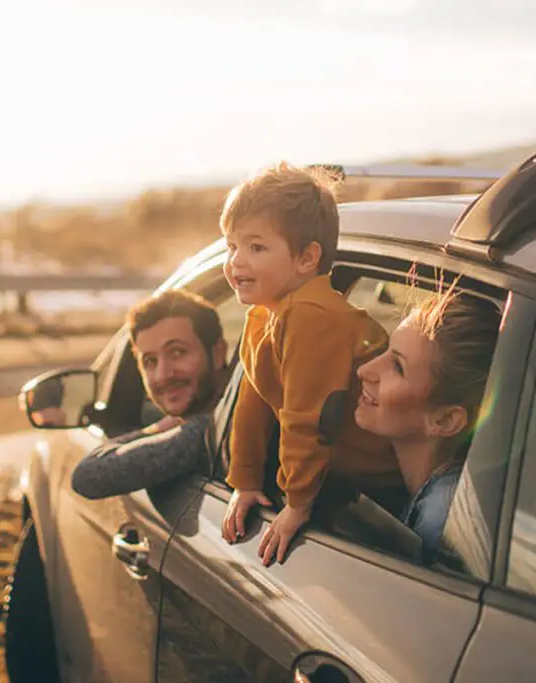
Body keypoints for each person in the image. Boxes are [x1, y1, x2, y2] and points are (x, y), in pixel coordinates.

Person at [219, 162, 402, 566]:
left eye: (256, 247)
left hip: (382, 483)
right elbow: (253, 403)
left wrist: (297, 504)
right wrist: (245, 480)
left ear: (306, 259)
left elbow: (308, 417)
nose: (236, 261)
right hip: (344, 478)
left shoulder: (310, 316)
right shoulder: (266, 315)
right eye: (231, 246)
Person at [354, 290, 501, 560]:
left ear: (444, 420)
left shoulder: (440, 524)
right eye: (386, 350)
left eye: (397, 367)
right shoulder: (447, 494)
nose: (364, 370)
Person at [70, 288, 230, 499]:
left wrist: (156, 430)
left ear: (218, 353)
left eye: (178, 352)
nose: (163, 375)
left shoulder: (209, 431)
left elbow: (87, 477)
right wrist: (163, 426)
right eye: (150, 361)